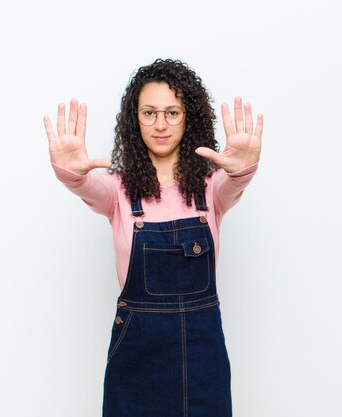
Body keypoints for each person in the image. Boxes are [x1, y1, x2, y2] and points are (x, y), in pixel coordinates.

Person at [42, 58, 263, 416]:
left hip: (201, 360)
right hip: (136, 358)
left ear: (189, 118)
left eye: (172, 113)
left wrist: (243, 170)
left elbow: (234, 184)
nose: (160, 124)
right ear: (135, 119)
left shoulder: (211, 188)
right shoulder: (117, 190)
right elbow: (85, 186)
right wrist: (70, 172)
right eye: (149, 113)